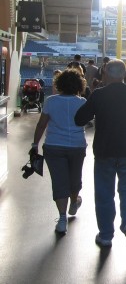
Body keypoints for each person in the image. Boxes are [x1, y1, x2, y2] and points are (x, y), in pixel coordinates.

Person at [74, 59, 126, 250]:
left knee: (104, 194)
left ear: (105, 74)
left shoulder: (99, 94)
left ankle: (105, 236)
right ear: (124, 74)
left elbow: (79, 119)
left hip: (104, 151)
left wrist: (93, 99)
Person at [32, 68, 88, 234]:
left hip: (54, 145)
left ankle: (62, 219)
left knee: (59, 181)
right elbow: (86, 121)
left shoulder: (51, 101)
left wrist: (35, 144)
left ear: (60, 84)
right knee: (74, 177)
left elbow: (41, 124)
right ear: (79, 84)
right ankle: (74, 201)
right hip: (77, 146)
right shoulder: (82, 102)